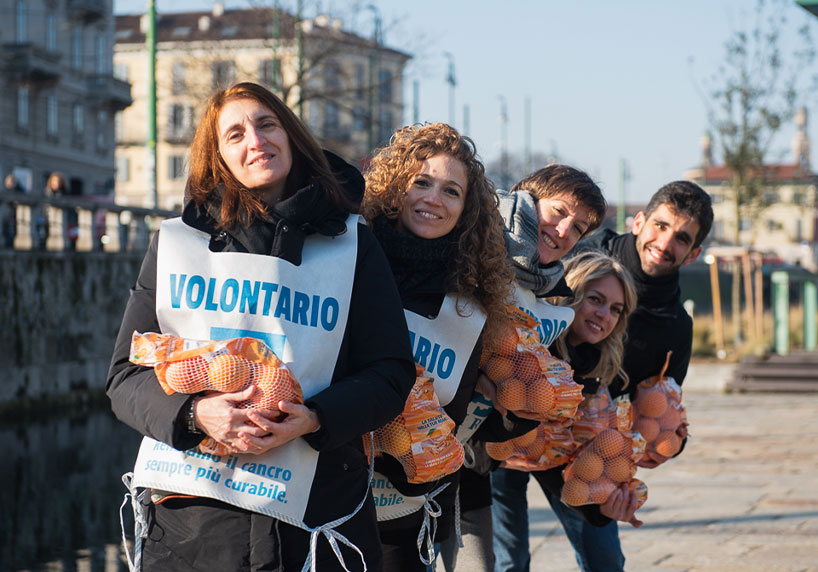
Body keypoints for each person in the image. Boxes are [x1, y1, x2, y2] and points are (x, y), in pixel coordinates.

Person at [106, 82, 416, 571]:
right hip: (195, 530)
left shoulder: (353, 245)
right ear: (219, 158)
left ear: (291, 136)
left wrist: (316, 417)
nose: (256, 140)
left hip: (320, 522)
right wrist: (195, 413)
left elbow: (391, 373)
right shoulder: (176, 246)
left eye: (267, 124)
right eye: (235, 134)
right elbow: (125, 377)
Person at [491, 180, 714, 572]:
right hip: (512, 427)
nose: (665, 242)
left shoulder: (675, 327)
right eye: (660, 226)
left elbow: (663, 407)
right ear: (639, 221)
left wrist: (665, 445)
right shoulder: (575, 255)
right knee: (509, 561)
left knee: (605, 560)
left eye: (681, 238)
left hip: (583, 446)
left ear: (693, 253)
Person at [361, 122, 514, 571]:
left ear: (467, 209)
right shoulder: (350, 260)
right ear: (393, 188)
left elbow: (465, 416)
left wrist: (507, 409)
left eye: (451, 191)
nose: (433, 199)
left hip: (412, 509)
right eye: (421, 182)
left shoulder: (474, 295)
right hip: (334, 490)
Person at [441, 165, 607, 572]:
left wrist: (520, 409)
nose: (566, 230)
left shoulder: (544, 293)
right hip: (395, 458)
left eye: (579, 228)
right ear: (526, 198)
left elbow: (503, 406)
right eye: (559, 212)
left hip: (465, 469)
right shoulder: (466, 244)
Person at [515, 251, 640, 572]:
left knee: (606, 559)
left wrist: (604, 505)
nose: (604, 315)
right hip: (506, 455)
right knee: (508, 561)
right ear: (573, 292)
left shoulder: (602, 360)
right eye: (596, 299)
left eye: (616, 309)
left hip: (567, 458)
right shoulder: (532, 339)